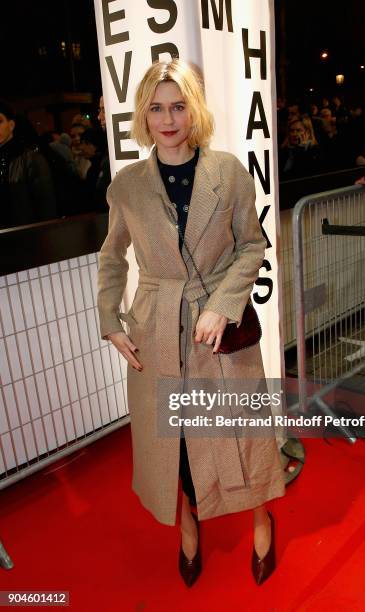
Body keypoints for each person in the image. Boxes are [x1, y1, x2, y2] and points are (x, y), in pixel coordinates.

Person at [96, 59, 286, 587]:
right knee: (172, 440)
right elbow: (112, 257)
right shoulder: (128, 186)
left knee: (243, 433)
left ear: (194, 109)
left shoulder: (227, 172)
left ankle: (261, 517)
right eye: (156, 108)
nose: (168, 118)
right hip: (156, 329)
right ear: (143, 115)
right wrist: (110, 319)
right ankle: (187, 530)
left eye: (178, 106)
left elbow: (252, 245)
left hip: (220, 330)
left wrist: (223, 304)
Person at [0, 100, 56, 229]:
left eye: (0, 121)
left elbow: (47, 206)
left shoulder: (31, 159)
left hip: (26, 238)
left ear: (11, 125)